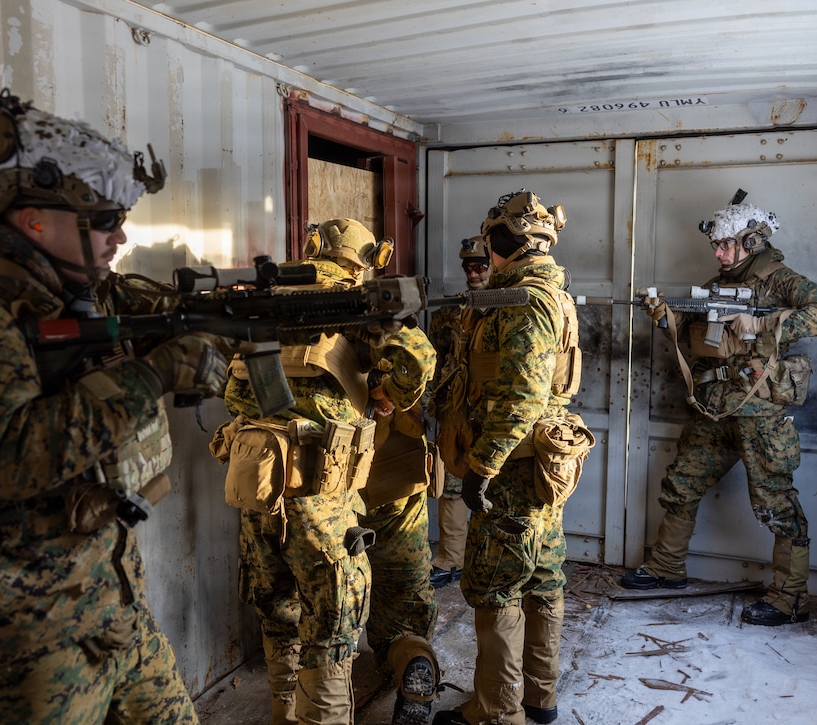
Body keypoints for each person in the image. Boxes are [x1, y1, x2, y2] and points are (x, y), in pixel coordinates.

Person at [0, 90, 226, 723]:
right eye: (105, 218)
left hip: (107, 610)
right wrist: (153, 375)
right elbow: (6, 457)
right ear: (32, 220)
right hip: (13, 650)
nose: (121, 235)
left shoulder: (60, 290)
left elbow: (149, 320)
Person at [213, 218, 438, 725]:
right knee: (332, 628)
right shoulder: (355, 304)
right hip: (322, 501)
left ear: (312, 247)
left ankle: (283, 711)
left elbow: (229, 390)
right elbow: (417, 364)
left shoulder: (266, 300)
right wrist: (384, 392)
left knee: (277, 611)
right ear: (367, 261)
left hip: (257, 493)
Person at [619, 195, 817, 627]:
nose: (718, 254)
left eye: (726, 245)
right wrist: (667, 317)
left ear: (751, 242)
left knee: (776, 502)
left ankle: (790, 598)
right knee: (682, 482)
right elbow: (694, 335)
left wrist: (765, 323)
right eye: (715, 246)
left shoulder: (781, 281)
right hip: (714, 409)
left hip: (761, 413)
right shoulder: (715, 286)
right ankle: (667, 567)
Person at [434, 190, 592, 725]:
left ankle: (496, 711)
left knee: (497, 585)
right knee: (543, 577)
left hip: (513, 468)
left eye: (489, 244)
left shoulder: (523, 300)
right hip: (542, 465)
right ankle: (539, 700)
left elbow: (522, 397)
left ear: (502, 243)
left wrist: (481, 467)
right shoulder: (552, 293)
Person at [425, 236, 490, 589]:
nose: (473, 273)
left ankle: (486, 559)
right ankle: (451, 558)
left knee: (495, 485)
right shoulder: (449, 313)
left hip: (491, 413)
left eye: (480, 267)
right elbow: (433, 361)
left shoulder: (506, 309)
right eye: (468, 268)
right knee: (451, 483)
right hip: (455, 411)